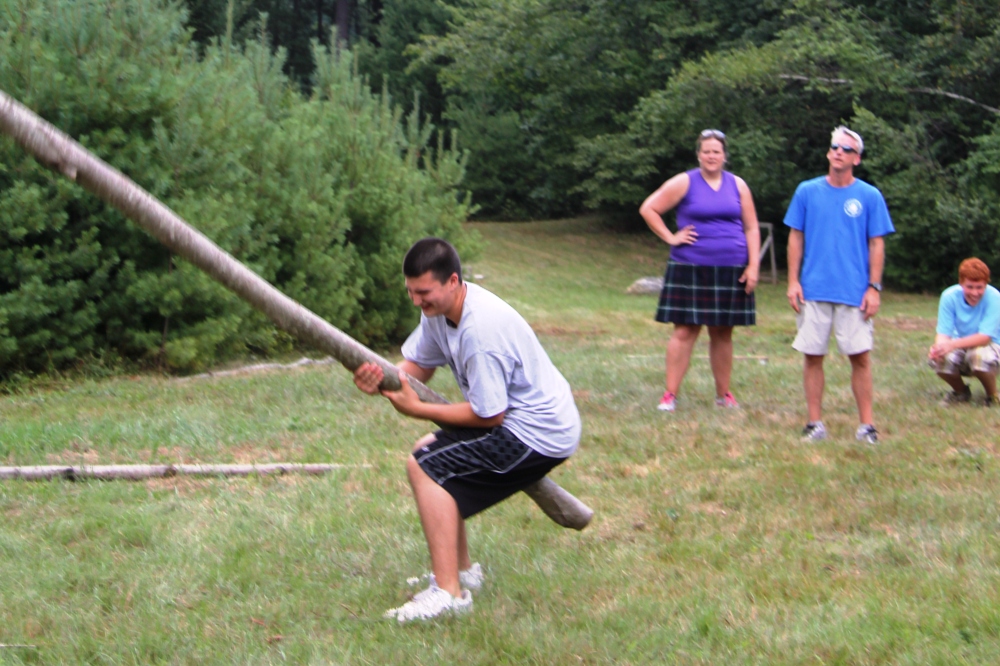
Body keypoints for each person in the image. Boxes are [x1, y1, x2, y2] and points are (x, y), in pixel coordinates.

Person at [353, 238, 581, 623]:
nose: (416, 301)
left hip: (539, 433)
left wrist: (417, 409)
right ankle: (461, 573)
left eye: (424, 293)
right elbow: (418, 366)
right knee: (428, 451)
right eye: (411, 292)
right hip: (519, 422)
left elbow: (489, 415)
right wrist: (381, 379)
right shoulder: (439, 310)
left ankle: (448, 594)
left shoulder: (480, 331)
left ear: (453, 281)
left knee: (426, 466)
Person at [785, 126, 895, 443]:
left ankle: (867, 427)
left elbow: (876, 243)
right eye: (834, 147)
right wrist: (793, 281)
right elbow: (795, 236)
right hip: (814, 288)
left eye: (846, 149)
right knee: (812, 356)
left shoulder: (869, 196)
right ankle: (814, 424)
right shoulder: (807, 191)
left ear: (856, 159)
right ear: (828, 152)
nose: (838, 152)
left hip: (854, 291)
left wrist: (873, 287)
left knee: (860, 356)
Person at [639, 129, 761, 412]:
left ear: (724, 156)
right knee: (685, 330)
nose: (711, 156)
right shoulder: (685, 182)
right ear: (699, 155)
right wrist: (671, 237)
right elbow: (649, 209)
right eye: (706, 151)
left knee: (723, 332)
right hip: (690, 266)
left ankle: (723, 395)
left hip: (731, 267)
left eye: (716, 151)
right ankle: (670, 395)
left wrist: (754, 265)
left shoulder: (738, 185)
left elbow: (752, 227)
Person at [927, 258, 1000, 406]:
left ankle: (993, 396)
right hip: (961, 343)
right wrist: (939, 348)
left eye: (979, 287)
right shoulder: (949, 296)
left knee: (978, 356)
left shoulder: (994, 297)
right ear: (961, 283)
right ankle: (961, 392)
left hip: (992, 346)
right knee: (940, 358)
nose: (974, 292)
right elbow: (944, 333)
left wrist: (951, 345)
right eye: (969, 287)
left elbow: (985, 338)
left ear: (986, 284)